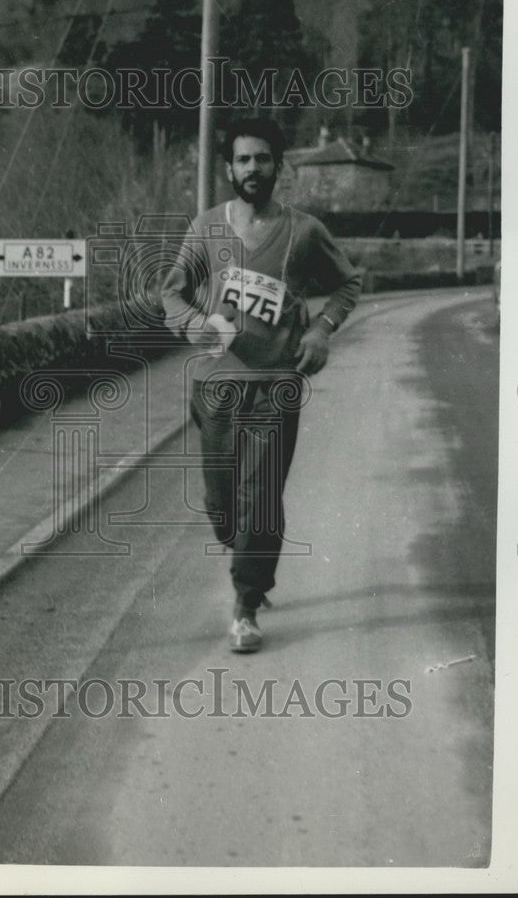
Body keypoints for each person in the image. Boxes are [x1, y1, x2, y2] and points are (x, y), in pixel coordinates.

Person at [160, 117, 362, 652]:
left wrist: (321, 330)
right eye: (244, 159)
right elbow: (172, 294)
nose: (253, 168)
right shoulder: (206, 228)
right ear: (229, 168)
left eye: (263, 158)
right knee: (222, 504)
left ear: (280, 166)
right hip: (216, 385)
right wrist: (191, 323)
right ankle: (245, 557)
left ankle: (246, 603)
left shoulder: (304, 231)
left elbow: (348, 283)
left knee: (262, 497)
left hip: (275, 384)